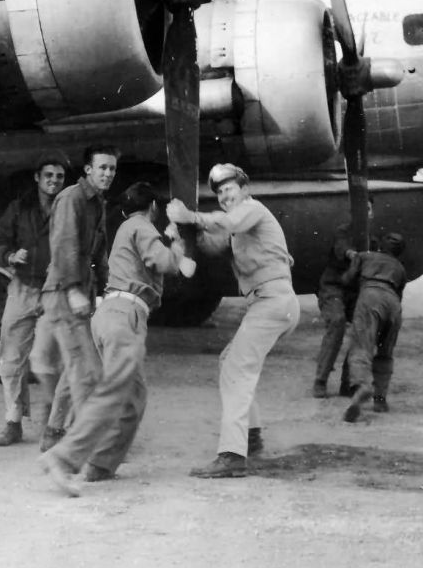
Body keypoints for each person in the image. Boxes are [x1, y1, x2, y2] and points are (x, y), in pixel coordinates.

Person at [39, 182, 195, 496]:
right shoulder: (141, 225)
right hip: (124, 316)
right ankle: (63, 458)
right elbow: (165, 263)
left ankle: (100, 465)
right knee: (114, 391)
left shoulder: (128, 227)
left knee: (134, 398)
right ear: (152, 207)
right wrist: (177, 243)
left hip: (116, 315)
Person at [167, 163, 300, 479]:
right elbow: (212, 244)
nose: (225, 196)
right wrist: (183, 232)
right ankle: (251, 437)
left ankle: (232, 454)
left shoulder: (252, 209)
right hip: (268, 303)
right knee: (230, 361)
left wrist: (190, 216)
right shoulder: (238, 228)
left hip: (272, 301)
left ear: (245, 190)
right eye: (220, 193)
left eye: (229, 190)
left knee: (236, 369)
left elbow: (226, 222)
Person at [36, 144, 118, 490]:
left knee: (76, 371)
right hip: (63, 294)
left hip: (79, 293)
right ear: (87, 170)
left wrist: (104, 290)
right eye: (102, 168)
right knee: (88, 375)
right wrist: (72, 289)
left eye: (112, 169)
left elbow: (99, 253)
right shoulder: (71, 198)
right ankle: (78, 458)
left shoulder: (97, 202)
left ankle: (54, 433)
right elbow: (65, 245)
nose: (107, 174)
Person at [0, 155, 67, 446]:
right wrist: (9, 256)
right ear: (37, 178)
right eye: (48, 175)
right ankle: (13, 423)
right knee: (10, 360)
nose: (54, 181)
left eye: (59, 176)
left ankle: (56, 425)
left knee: (50, 361)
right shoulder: (19, 208)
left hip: (56, 292)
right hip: (22, 290)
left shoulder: (70, 208)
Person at [313, 198, 377, 399]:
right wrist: (354, 255)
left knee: (363, 328)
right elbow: (341, 248)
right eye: (361, 209)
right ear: (352, 214)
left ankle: (348, 382)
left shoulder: (373, 241)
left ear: (372, 213)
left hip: (355, 292)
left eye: (368, 209)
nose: (364, 214)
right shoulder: (342, 232)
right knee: (337, 321)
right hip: (333, 288)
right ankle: (320, 380)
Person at [340, 232, 407, 422]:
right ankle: (380, 399)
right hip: (393, 304)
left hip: (370, 297)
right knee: (385, 353)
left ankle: (362, 386)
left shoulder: (364, 256)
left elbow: (347, 280)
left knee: (361, 347)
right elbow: (400, 293)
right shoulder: (400, 268)